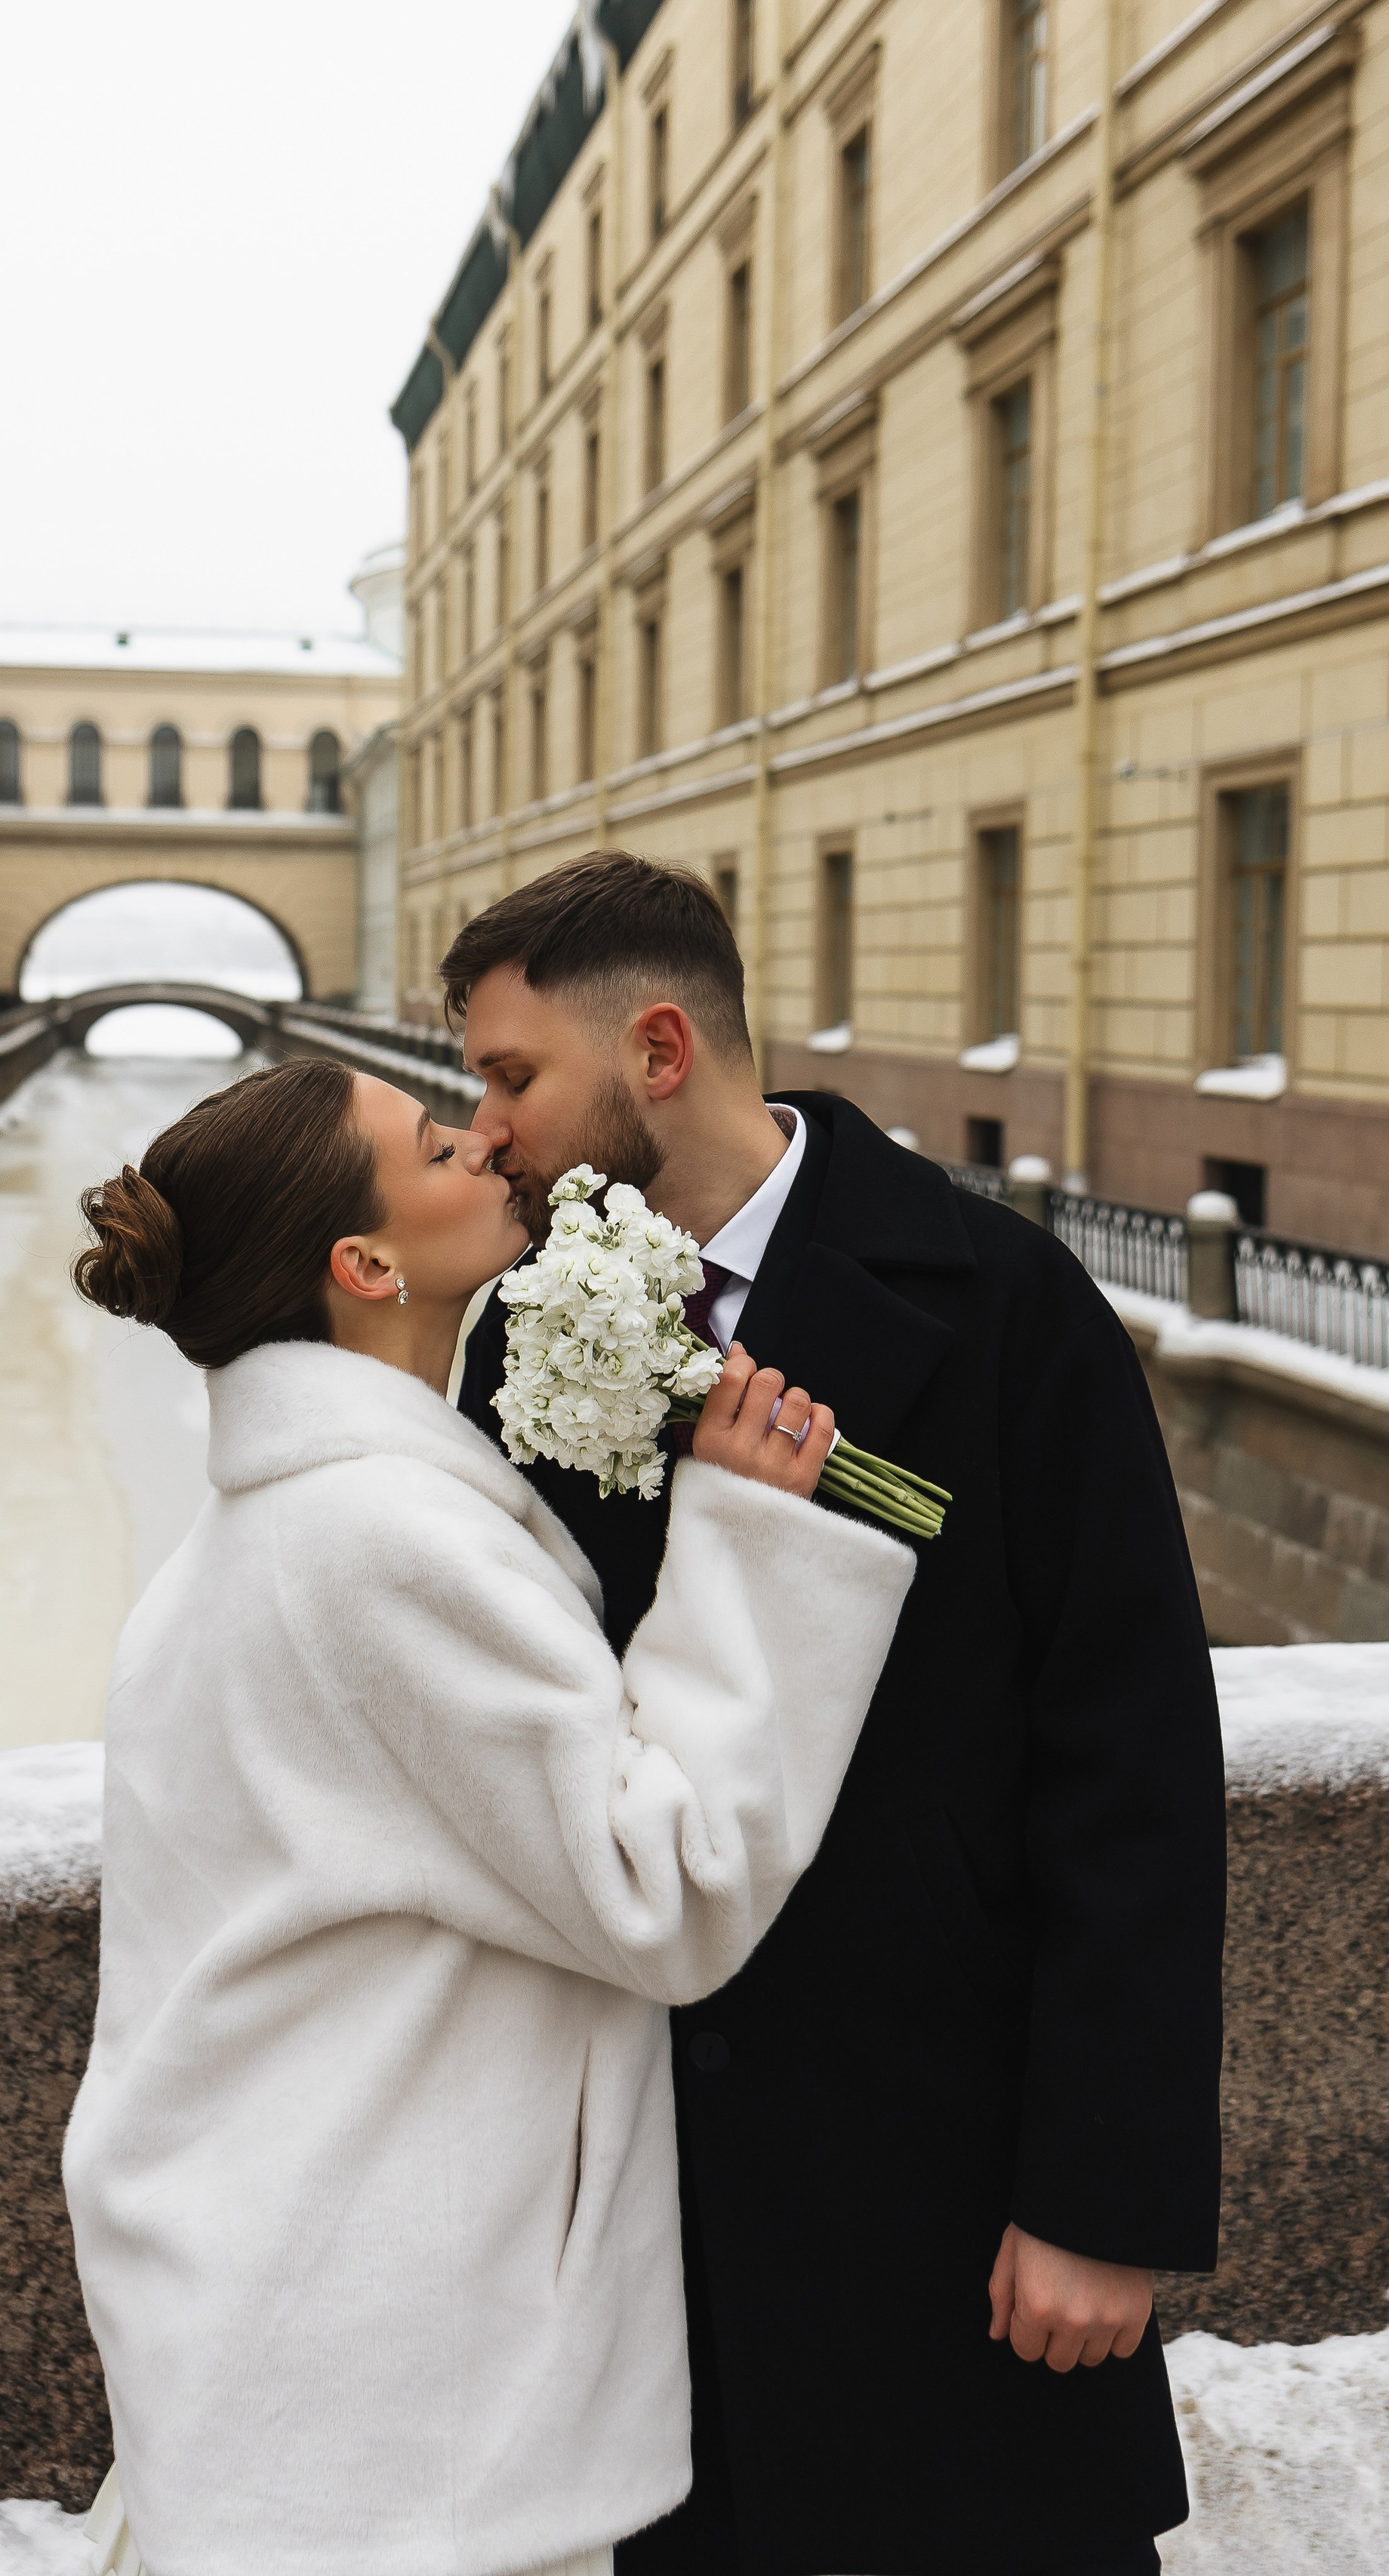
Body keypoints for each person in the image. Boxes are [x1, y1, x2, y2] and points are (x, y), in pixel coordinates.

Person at [443, 853, 1226, 2576]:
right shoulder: (512, 1335)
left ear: (656, 1046)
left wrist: (1098, 2195)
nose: (482, 1127)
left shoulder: (1005, 1303)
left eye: (508, 1075)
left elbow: (1130, 1768)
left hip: (944, 2170)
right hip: (654, 2193)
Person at [60, 1054, 916, 2576]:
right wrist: (751, 1540)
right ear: (366, 1263)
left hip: (300, 2302)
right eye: (440, 1144)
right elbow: (660, 1888)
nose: (492, 1146)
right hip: (387, 2361)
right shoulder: (375, 1538)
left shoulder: (264, 1534)